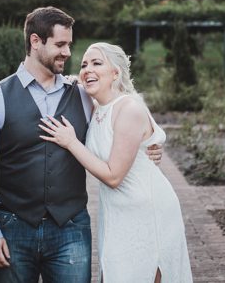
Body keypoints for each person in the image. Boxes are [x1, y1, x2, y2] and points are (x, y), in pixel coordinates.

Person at [0, 7, 162, 283]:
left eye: (69, 44)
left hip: (71, 229)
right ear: (36, 42)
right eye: (60, 44)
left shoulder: (83, 95)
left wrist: (150, 142)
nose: (68, 52)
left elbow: (124, 109)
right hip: (13, 228)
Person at [39, 42, 192, 283]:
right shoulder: (97, 106)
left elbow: (113, 176)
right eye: (84, 65)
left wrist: (71, 142)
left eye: (97, 63)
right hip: (117, 211)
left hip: (146, 209)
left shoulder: (128, 108)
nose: (88, 69)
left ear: (116, 73)